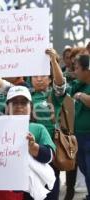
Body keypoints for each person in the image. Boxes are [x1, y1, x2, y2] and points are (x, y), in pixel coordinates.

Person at [0, 85, 56, 200]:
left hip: (30, 192)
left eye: (23, 103)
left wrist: (33, 147)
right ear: (7, 107)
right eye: (14, 103)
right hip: (5, 189)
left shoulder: (38, 128)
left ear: (30, 107)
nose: (19, 107)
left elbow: (50, 157)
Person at [67, 54, 90, 200]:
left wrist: (81, 95)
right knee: (85, 170)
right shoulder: (79, 83)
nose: (74, 72)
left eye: (77, 68)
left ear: (86, 69)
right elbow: (66, 91)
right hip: (79, 137)